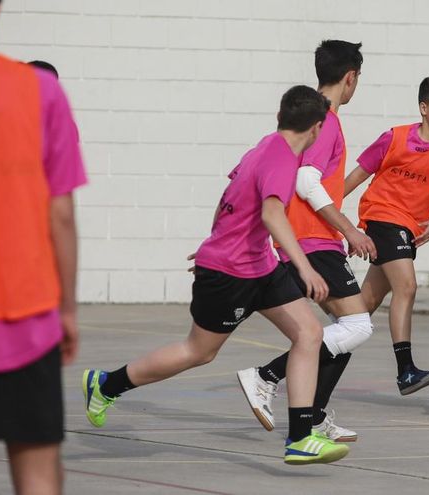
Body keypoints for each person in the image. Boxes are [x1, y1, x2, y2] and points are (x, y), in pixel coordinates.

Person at [81, 86, 350, 465]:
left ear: (280, 117)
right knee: (199, 352)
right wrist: (305, 268)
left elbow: (231, 194)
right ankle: (106, 384)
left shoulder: (265, 145)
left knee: (309, 333)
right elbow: (272, 215)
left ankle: (301, 437)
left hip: (260, 266)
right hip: (231, 273)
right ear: (319, 128)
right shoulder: (282, 159)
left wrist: (216, 238)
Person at [0, 1, 85, 493]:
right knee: (38, 473)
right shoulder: (41, 91)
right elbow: (61, 213)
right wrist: (68, 307)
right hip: (24, 312)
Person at [236, 40, 375, 443]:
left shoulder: (313, 116)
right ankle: (266, 376)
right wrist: (348, 229)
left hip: (310, 238)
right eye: (358, 79)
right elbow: (306, 181)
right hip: (312, 238)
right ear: (351, 77)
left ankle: (313, 416)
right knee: (358, 325)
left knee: (345, 329)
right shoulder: (327, 119)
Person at [343, 75, 429, 395]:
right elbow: (354, 178)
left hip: (409, 229)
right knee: (407, 286)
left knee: (364, 306)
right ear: (424, 108)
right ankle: (405, 370)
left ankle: (309, 355)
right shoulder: (394, 138)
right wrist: (327, 217)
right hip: (382, 217)